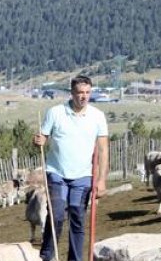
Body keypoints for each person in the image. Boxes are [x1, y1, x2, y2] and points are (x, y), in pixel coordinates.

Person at [33, 75, 109, 261]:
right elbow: (42, 137)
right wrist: (38, 140)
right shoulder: (55, 112)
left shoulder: (97, 116)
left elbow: (103, 149)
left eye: (87, 92)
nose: (84, 96)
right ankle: (47, 256)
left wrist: (102, 180)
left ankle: (75, 259)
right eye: (80, 93)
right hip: (57, 172)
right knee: (57, 215)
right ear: (72, 93)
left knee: (77, 217)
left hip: (83, 176)